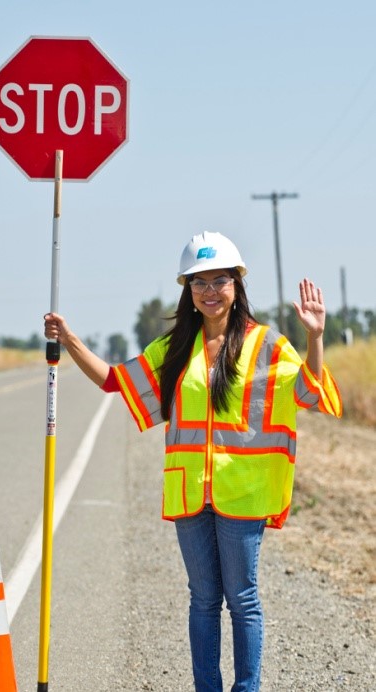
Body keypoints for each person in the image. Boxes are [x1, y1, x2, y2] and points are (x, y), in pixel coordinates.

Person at [43, 231, 342, 692]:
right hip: (189, 489)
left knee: (242, 599)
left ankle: (247, 688)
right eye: (198, 283)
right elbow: (114, 382)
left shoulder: (266, 345)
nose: (209, 291)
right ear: (188, 291)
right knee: (203, 599)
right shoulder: (174, 348)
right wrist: (70, 340)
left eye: (219, 280)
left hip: (244, 492)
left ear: (236, 285)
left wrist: (315, 338)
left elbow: (310, 392)